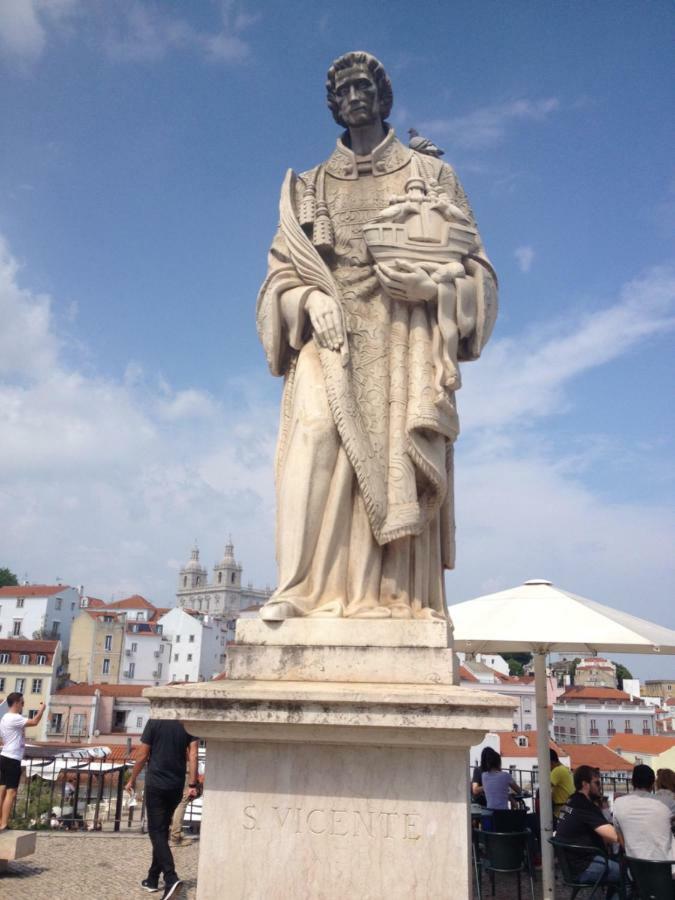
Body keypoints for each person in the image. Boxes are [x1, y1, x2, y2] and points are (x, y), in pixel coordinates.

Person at [256, 50, 497, 621]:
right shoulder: (308, 185)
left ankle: (390, 595)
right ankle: (300, 588)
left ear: (383, 97)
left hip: (403, 334)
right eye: (344, 88)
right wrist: (310, 298)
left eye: (365, 84)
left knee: (394, 455)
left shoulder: (432, 175)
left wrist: (435, 287)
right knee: (312, 439)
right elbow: (275, 282)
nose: (355, 94)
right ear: (334, 104)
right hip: (329, 334)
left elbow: (478, 271)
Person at [126, 719, 199, 899]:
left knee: (156, 832)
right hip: (175, 785)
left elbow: (142, 754)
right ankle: (152, 879)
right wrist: (192, 783)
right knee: (162, 832)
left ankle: (170, 877)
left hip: (157, 784)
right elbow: (194, 755)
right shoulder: (188, 722)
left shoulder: (155, 721)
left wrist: (132, 779)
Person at [555, 765, 623, 899]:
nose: (600, 786)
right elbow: (614, 836)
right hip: (585, 866)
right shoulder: (584, 806)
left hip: (571, 866)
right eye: (597, 783)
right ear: (585, 784)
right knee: (629, 873)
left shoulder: (572, 800)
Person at [0, 692, 45, 830]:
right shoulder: (14, 718)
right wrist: (42, 710)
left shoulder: (4, 718)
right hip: (12, 758)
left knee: (2, 789)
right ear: (16, 703)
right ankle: (3, 823)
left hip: (4, 755)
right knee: (11, 792)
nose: (23, 705)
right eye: (22, 703)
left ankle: (0, 820)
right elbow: (34, 722)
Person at [613, 764, 675, 863]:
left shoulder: (618, 803)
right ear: (653, 783)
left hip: (636, 872)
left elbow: (621, 839)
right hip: (667, 870)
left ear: (632, 782)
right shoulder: (667, 802)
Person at [550, 748, 574, 820]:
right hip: (569, 808)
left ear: (550, 762)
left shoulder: (557, 771)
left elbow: (545, 789)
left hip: (560, 811)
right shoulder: (564, 769)